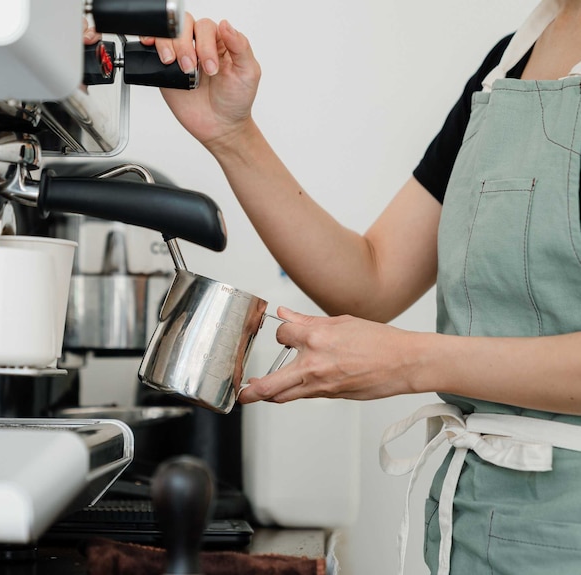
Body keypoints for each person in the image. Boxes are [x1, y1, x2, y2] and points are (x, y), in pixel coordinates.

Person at [86, 0, 581, 573]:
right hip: (473, 532)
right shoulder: (509, 63)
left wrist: (412, 363)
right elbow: (371, 279)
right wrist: (230, 132)